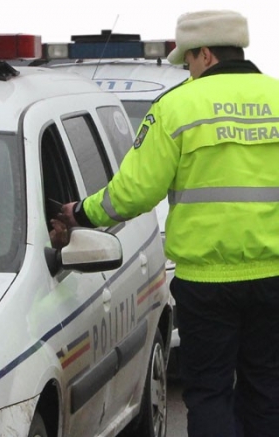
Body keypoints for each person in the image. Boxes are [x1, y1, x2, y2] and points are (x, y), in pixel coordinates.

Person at [57, 10, 279, 437]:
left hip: (207, 282)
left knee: (210, 391)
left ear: (206, 54)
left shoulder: (177, 106)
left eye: (189, 61)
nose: (188, 70)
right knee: (267, 388)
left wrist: (82, 213)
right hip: (274, 277)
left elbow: (134, 193)